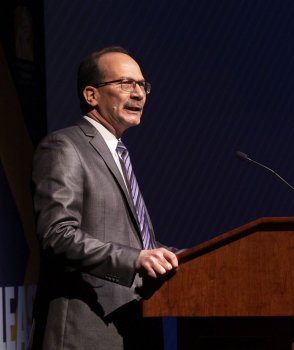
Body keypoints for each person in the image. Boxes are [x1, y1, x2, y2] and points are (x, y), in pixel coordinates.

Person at [30, 46, 179, 349]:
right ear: (91, 95)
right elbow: (57, 234)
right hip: (86, 328)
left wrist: (189, 258)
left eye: (141, 85)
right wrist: (135, 259)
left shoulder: (119, 154)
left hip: (133, 324)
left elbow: (140, 246)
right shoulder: (64, 146)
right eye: (125, 83)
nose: (138, 93)